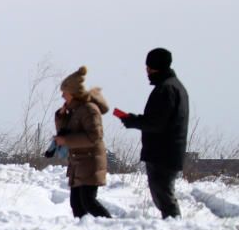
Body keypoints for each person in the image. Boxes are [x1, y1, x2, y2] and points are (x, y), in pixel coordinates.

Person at [118, 48, 190, 218]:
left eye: (149, 68)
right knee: (164, 197)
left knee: (164, 198)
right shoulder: (173, 86)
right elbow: (158, 119)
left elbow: (156, 123)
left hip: (162, 154)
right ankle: (173, 227)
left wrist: (133, 121)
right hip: (167, 153)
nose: (147, 72)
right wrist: (134, 119)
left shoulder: (166, 89)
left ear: (156, 67)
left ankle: (175, 229)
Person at [54, 66, 112, 218]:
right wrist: (61, 118)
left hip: (90, 162)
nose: (63, 97)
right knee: (77, 204)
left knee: (88, 201)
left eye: (64, 93)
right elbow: (67, 131)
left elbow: (94, 136)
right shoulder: (75, 110)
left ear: (73, 93)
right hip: (80, 163)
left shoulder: (89, 109)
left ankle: (110, 225)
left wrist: (66, 140)